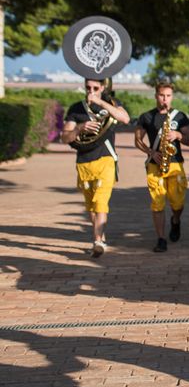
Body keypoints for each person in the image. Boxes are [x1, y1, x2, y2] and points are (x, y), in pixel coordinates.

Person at [61, 78, 131, 257]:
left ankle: (97, 242)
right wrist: (79, 128)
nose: (91, 90)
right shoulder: (76, 109)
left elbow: (125, 118)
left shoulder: (112, 104)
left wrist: (100, 102)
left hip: (105, 160)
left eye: (95, 88)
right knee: (91, 206)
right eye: (88, 87)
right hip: (84, 162)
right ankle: (100, 237)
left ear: (103, 87)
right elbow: (65, 138)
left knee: (100, 203)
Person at [135, 82, 189, 253]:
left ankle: (176, 221)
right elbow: (137, 140)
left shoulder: (180, 116)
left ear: (172, 97)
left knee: (177, 203)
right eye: (161, 95)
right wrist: (152, 152)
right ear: (156, 96)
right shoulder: (146, 117)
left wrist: (178, 134)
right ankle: (161, 238)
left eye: (168, 95)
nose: (164, 99)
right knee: (157, 203)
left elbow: (188, 140)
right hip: (155, 165)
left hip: (175, 163)